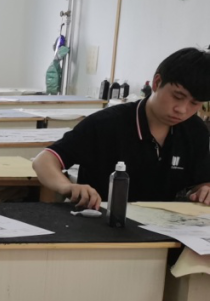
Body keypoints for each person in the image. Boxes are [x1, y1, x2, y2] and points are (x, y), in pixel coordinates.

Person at [33, 47, 210, 209]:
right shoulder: (106, 124)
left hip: (166, 226)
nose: (182, 110)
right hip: (101, 221)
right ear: (157, 83)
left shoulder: (196, 131)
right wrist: (67, 187)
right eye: (177, 96)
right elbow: (45, 160)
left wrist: (204, 190)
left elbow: (200, 181)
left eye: (194, 103)